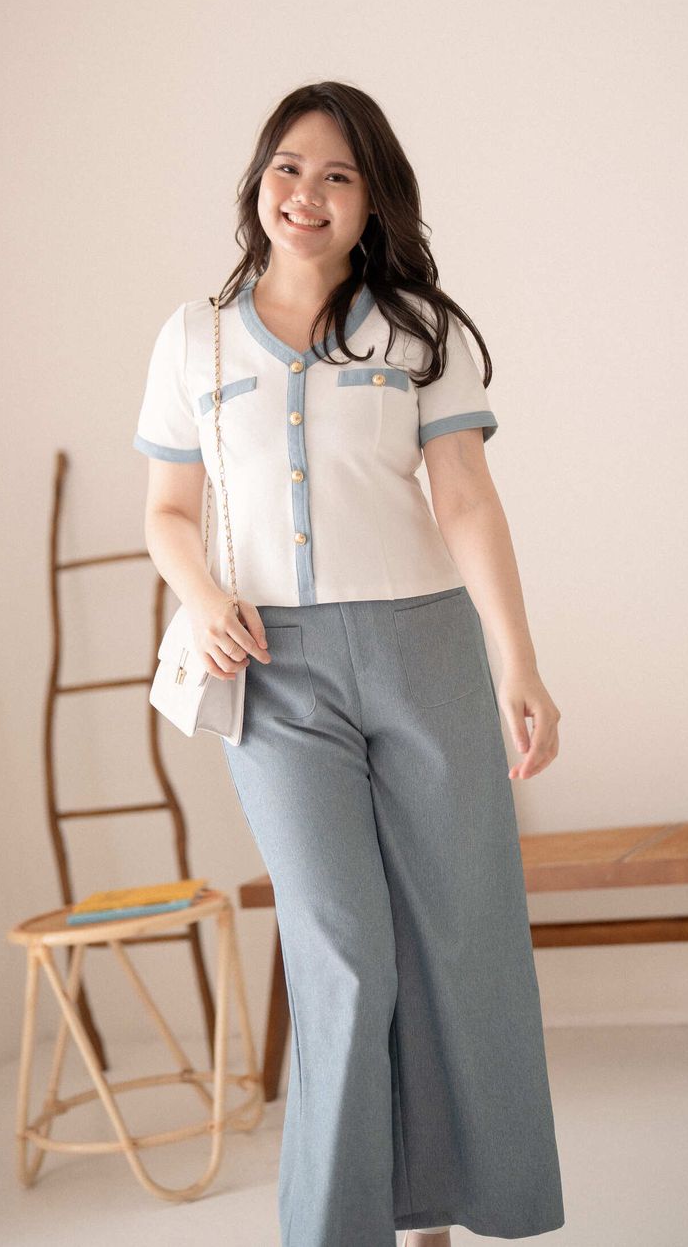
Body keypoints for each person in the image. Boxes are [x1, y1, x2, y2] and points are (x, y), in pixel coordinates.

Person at [134, 81, 565, 1247]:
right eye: (287, 166)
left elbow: (466, 498)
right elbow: (168, 509)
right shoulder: (196, 336)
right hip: (273, 667)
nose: (305, 194)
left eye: (335, 174)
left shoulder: (422, 331)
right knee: (339, 947)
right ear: (256, 182)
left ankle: (442, 1207)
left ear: (370, 197)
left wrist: (517, 662)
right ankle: (338, 1227)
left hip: (424, 647)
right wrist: (203, 595)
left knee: (459, 931)